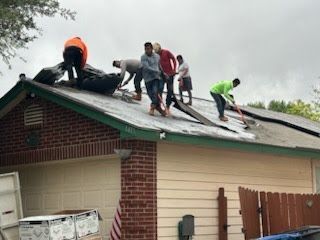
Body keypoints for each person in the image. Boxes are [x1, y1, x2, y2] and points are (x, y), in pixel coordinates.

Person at [141, 42, 166, 116]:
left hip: (156, 78)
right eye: (145, 49)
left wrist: (162, 72)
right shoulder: (143, 57)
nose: (147, 51)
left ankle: (152, 108)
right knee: (150, 94)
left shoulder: (157, 56)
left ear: (152, 49)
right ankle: (158, 107)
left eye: (148, 49)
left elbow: (159, 65)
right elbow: (147, 67)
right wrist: (157, 71)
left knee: (155, 92)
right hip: (147, 79)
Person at [153, 43, 177, 115]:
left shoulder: (166, 52)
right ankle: (159, 105)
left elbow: (173, 59)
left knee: (170, 90)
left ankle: (167, 106)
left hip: (170, 74)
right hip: (161, 75)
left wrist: (174, 69)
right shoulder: (156, 56)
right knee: (159, 89)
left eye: (158, 51)